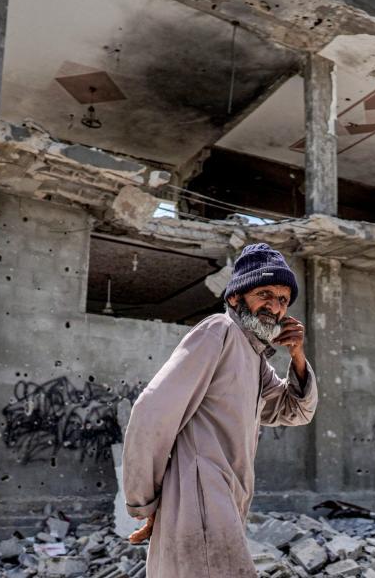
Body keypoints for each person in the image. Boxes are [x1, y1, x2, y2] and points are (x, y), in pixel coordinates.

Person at [123, 243, 319, 577]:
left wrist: (298, 355)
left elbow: (295, 411)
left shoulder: (253, 356)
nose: (275, 306)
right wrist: (144, 501)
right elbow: (151, 413)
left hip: (220, 503)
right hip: (200, 504)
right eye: (265, 293)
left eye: (283, 300)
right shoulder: (221, 331)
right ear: (234, 298)